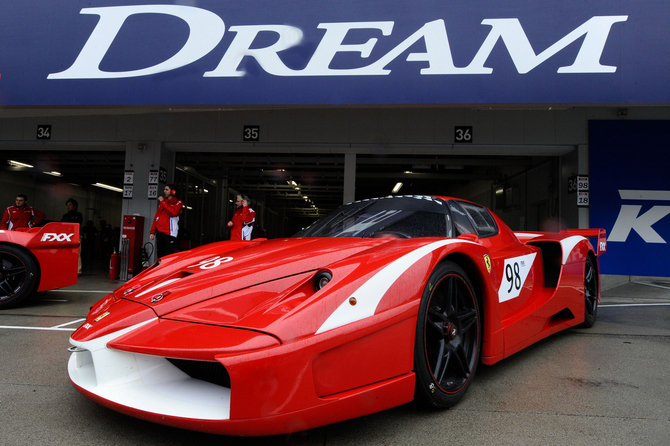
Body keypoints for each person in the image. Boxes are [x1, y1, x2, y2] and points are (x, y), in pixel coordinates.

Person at [150, 184, 184, 259]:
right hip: (160, 232)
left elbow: (173, 213)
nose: (164, 191)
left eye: (166, 189)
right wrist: (152, 231)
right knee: (160, 256)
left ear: (173, 191)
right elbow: (157, 216)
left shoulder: (178, 202)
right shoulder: (163, 202)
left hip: (170, 233)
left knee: (168, 256)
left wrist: (163, 202)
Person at [61, 198, 83, 275]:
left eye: (70, 205)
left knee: (76, 252)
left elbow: (76, 223)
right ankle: (67, 268)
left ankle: (78, 270)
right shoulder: (65, 216)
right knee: (66, 252)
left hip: (76, 234)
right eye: (67, 205)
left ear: (75, 206)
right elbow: (61, 225)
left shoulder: (78, 215)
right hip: (66, 235)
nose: (68, 206)